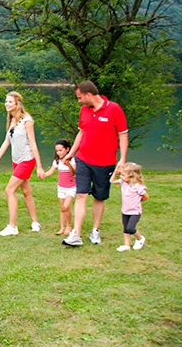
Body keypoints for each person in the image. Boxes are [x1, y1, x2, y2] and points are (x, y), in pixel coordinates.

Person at [62, 80, 128, 247]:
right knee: (81, 195)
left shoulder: (114, 109)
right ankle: (76, 234)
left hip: (105, 163)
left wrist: (122, 159)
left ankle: (95, 230)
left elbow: (123, 135)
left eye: (80, 98)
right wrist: (71, 153)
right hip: (83, 160)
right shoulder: (84, 110)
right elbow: (81, 132)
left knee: (99, 197)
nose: (79, 101)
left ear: (88, 95)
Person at [0, 91, 45, 236]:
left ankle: (12, 227)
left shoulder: (27, 120)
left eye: (9, 102)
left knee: (9, 190)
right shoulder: (12, 120)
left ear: (17, 104)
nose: (6, 104)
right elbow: (6, 142)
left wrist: (39, 166)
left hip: (27, 160)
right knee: (26, 192)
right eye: (6, 101)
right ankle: (35, 222)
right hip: (16, 161)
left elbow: (33, 143)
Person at [42, 139, 77, 236]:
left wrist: (68, 164)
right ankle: (62, 227)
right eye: (57, 151)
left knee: (66, 206)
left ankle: (69, 226)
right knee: (62, 208)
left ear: (67, 149)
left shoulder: (73, 160)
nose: (58, 152)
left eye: (60, 150)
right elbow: (50, 171)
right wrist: (43, 175)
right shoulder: (57, 161)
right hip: (61, 187)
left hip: (71, 187)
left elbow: (73, 173)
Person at [111, 162, 148, 252]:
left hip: (135, 211)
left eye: (123, 175)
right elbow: (112, 181)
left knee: (130, 228)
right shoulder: (123, 182)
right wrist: (115, 173)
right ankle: (126, 245)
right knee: (125, 229)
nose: (121, 176)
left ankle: (140, 239)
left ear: (131, 176)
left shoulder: (138, 187)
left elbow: (146, 197)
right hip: (125, 210)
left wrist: (138, 201)